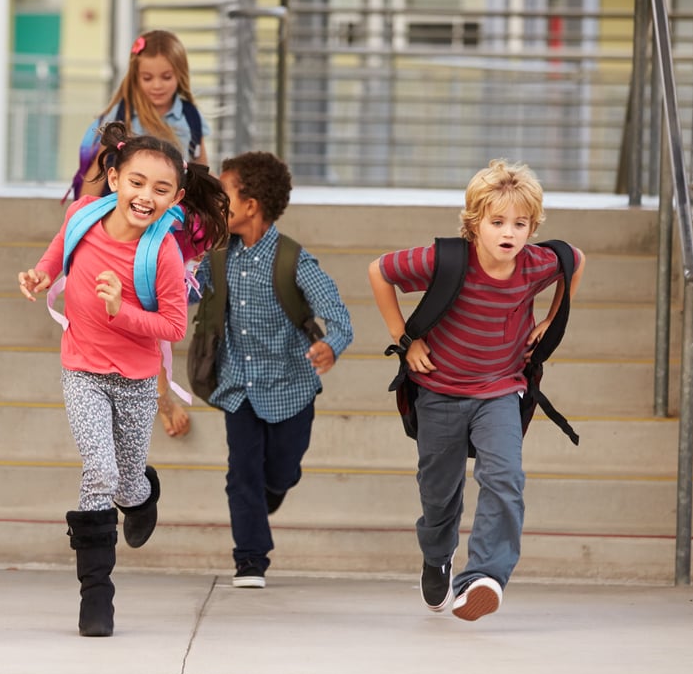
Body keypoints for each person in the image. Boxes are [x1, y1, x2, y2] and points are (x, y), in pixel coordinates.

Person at [19, 121, 229, 637]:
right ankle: (97, 597)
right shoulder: (81, 215)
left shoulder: (162, 253)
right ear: (114, 179)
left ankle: (141, 496)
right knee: (98, 472)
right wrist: (42, 274)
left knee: (126, 479)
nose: (145, 196)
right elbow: (58, 250)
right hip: (82, 370)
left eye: (160, 190)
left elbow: (174, 327)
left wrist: (122, 310)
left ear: (176, 198)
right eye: (136, 182)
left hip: (136, 380)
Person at [368, 159, 585, 622]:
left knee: (505, 479)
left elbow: (575, 260)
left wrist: (551, 318)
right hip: (440, 391)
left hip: (500, 391)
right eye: (497, 222)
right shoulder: (446, 258)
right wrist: (405, 339)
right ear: (475, 223)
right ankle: (438, 555)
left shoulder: (534, 264)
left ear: (532, 226)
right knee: (438, 493)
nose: (509, 233)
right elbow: (378, 272)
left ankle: (483, 576)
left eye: (520, 223)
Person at [196, 152, 354, 590]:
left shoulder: (293, 261)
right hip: (238, 387)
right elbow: (188, 292)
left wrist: (330, 345)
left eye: (223, 196)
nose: (216, 206)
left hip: (290, 389)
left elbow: (339, 317)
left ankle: (275, 487)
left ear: (251, 205)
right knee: (241, 472)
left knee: (280, 472)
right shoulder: (217, 257)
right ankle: (250, 559)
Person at [73, 29, 212, 438]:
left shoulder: (189, 116)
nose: (156, 86)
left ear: (179, 76)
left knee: (162, 314)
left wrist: (205, 233)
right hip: (126, 233)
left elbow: (201, 171)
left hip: (172, 230)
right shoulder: (119, 121)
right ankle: (158, 395)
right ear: (134, 77)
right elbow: (94, 180)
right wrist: (77, 233)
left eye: (165, 77)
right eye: (147, 77)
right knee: (134, 311)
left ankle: (154, 390)